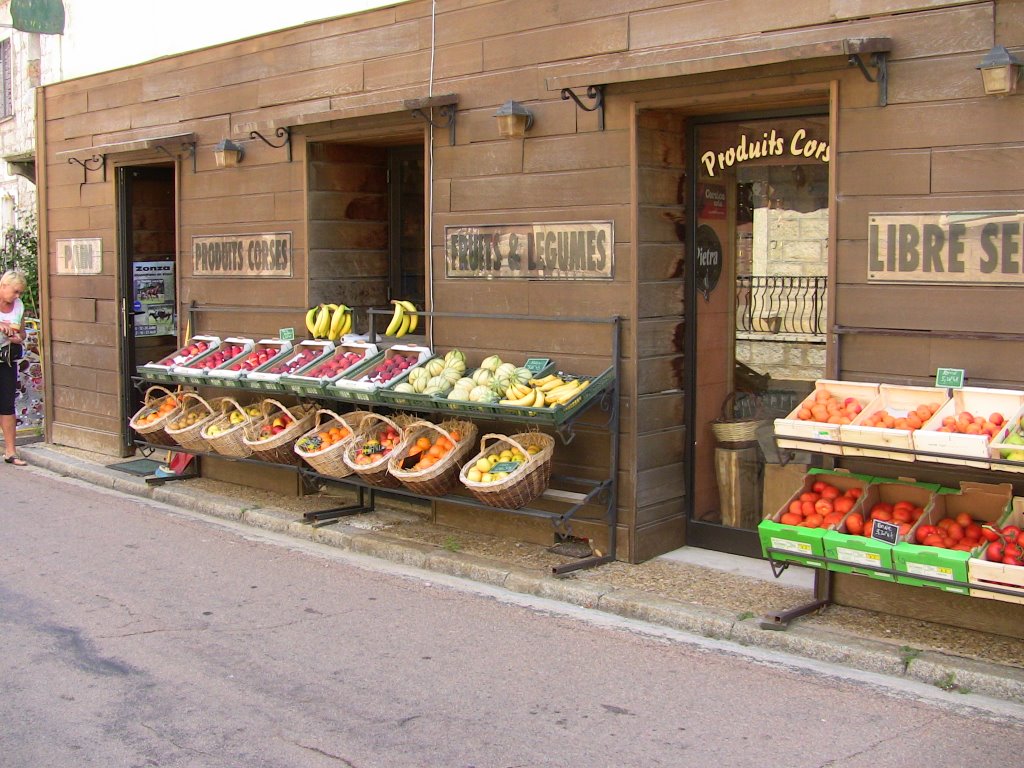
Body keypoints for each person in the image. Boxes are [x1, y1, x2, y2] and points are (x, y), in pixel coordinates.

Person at [0, 269, 28, 465]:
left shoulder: (18, 305)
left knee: (7, 404)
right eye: (15, 291)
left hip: (6, 358)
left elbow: (23, 333)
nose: (17, 296)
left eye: (20, 293)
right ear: (3, 286)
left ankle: (11, 452)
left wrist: (18, 338)